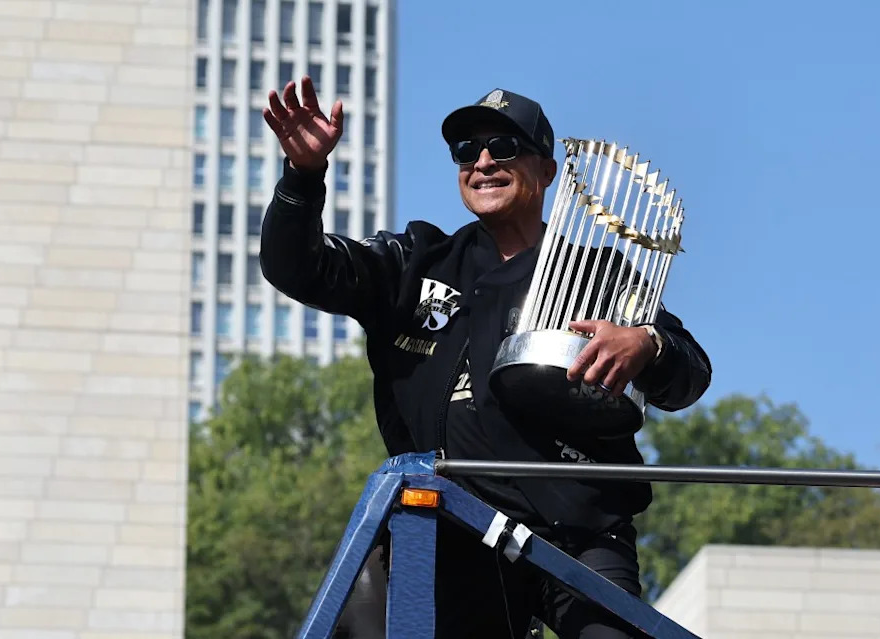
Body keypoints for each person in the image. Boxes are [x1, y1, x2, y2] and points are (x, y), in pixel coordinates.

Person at [260, 77, 712, 638]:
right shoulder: (416, 260)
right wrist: (303, 178)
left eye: (504, 148)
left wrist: (648, 343)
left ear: (547, 171)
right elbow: (295, 267)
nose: (481, 162)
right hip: (450, 527)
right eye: (465, 151)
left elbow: (690, 373)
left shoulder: (601, 275)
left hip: (577, 530)